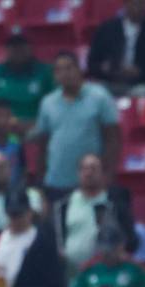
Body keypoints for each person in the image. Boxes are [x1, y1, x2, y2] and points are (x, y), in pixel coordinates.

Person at [33, 52, 121, 201]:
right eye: (59, 70)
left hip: (91, 181)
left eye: (69, 68)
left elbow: (113, 139)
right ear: (54, 75)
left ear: (79, 69)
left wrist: (108, 174)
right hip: (56, 181)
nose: (65, 74)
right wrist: (40, 178)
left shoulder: (100, 97)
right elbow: (43, 145)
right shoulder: (47, 102)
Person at [54, 153, 137, 285]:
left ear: (103, 173)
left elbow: (131, 240)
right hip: (72, 277)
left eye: (93, 168)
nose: (88, 173)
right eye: (84, 169)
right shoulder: (63, 206)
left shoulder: (115, 203)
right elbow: (58, 239)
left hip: (109, 277)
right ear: (78, 173)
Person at [0, 31, 53, 132]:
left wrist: (32, 124)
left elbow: (55, 105)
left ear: (30, 48)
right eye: (13, 46)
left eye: (21, 45)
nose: (17, 50)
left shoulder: (45, 72)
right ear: (6, 49)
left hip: (34, 125)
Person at [88, 0, 145, 91]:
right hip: (110, 81)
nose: (140, 7)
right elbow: (92, 63)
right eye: (136, 3)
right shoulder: (106, 29)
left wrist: (140, 72)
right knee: (96, 91)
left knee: (144, 91)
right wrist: (104, 68)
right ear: (126, 3)